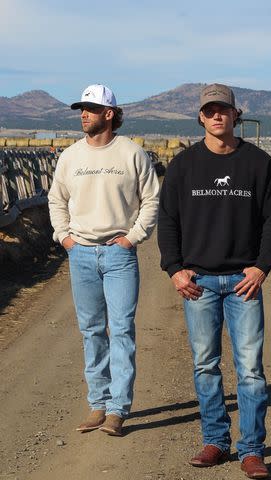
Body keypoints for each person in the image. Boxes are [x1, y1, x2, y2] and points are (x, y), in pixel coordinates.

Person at [157, 83, 271, 479]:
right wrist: (174, 269)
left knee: (250, 370)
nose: (216, 116)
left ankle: (251, 449)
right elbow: (168, 221)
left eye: (223, 110)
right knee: (205, 365)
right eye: (209, 110)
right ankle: (215, 440)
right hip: (199, 283)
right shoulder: (183, 166)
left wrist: (262, 266)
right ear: (200, 116)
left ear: (235, 116)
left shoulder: (258, 163)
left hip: (244, 282)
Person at [48, 84, 159, 436]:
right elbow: (57, 200)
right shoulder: (70, 156)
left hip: (119, 255)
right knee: (91, 330)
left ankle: (117, 409)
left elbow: (151, 200)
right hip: (80, 253)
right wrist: (64, 237)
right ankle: (98, 402)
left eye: (90, 109)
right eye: (81, 108)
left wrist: (132, 238)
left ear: (109, 114)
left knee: (122, 330)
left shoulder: (131, 154)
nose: (83, 114)